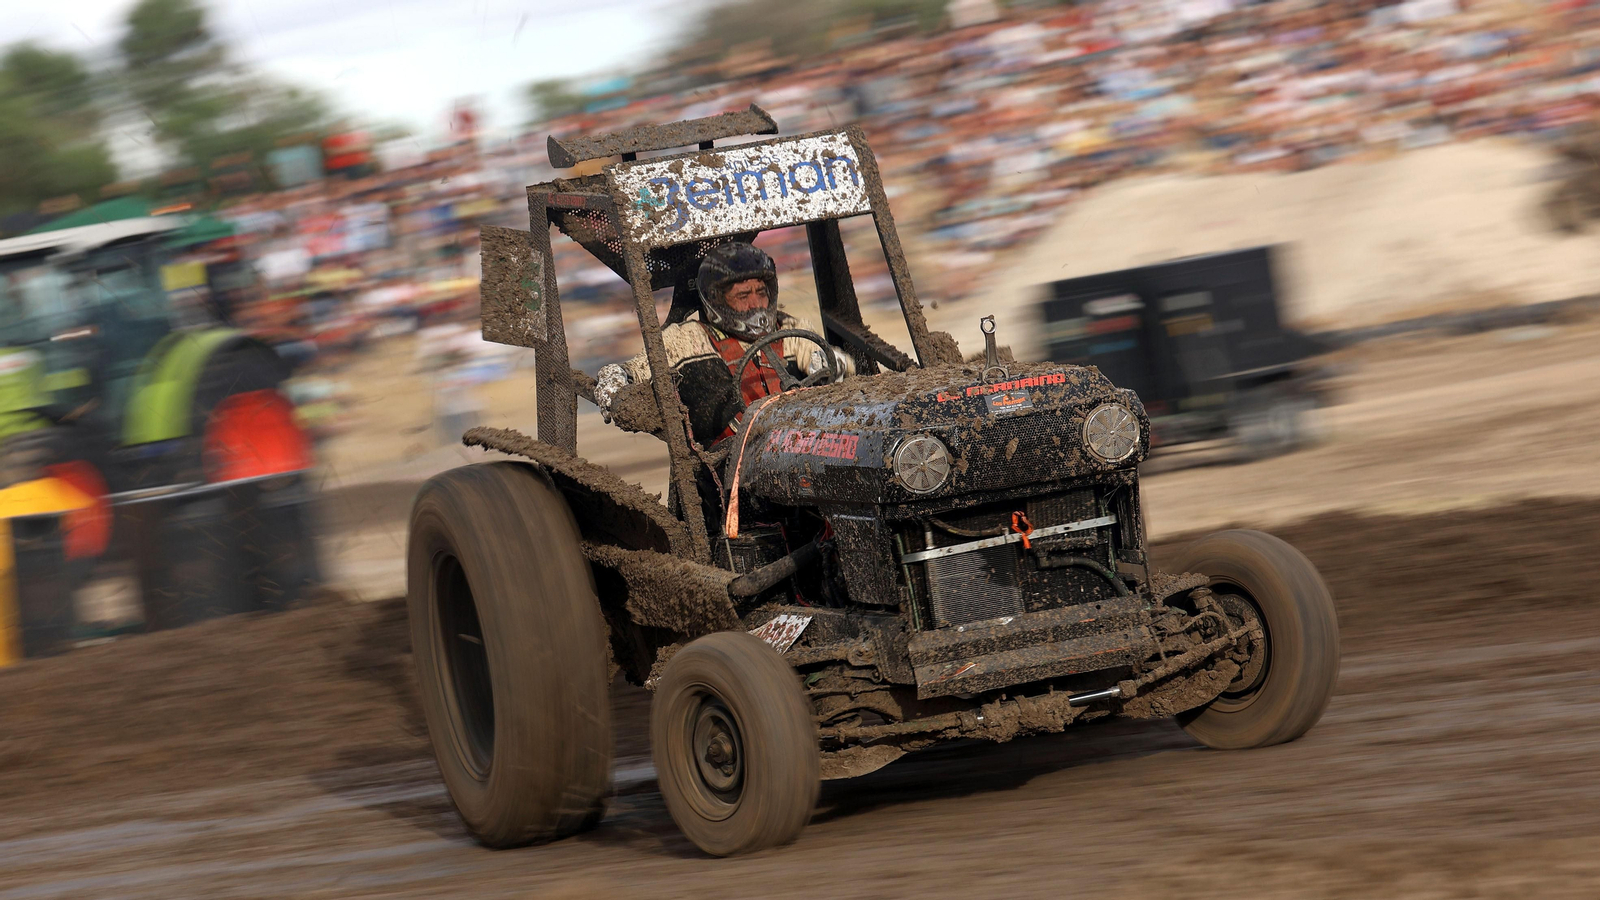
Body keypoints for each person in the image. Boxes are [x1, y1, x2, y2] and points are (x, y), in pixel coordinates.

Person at [594, 242, 854, 447]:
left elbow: (829, 358)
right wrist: (615, 383)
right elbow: (630, 371)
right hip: (728, 467)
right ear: (717, 299)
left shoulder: (791, 330)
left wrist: (833, 362)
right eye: (743, 295)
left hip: (799, 445)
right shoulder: (684, 340)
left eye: (761, 293)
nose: (755, 304)